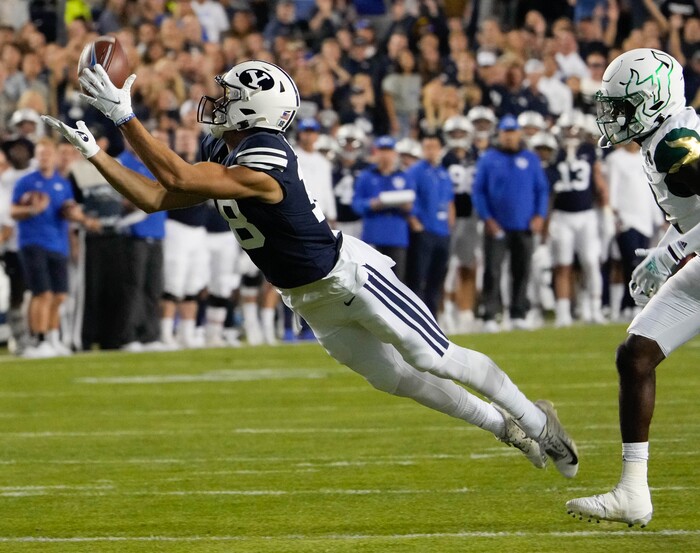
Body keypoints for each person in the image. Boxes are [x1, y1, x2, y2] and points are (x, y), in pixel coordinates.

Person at [45, 59, 578, 482]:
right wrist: (95, 152)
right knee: (398, 380)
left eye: (229, 96)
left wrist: (123, 118)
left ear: (255, 110)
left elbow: (175, 173)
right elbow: (158, 196)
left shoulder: (268, 151)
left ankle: (537, 420)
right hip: (306, 298)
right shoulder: (226, 146)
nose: (216, 102)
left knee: (434, 356)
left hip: (350, 280)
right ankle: (505, 430)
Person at [562, 48, 700, 527]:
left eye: (623, 105)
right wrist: (666, 248)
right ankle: (633, 492)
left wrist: (670, 254)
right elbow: (691, 215)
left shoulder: (678, 143)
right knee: (636, 354)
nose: (614, 116)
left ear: (654, 102)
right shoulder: (662, 137)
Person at [11, 137, 98, 357]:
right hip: (33, 242)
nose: (45, 158)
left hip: (58, 244)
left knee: (59, 295)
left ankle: (51, 338)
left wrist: (81, 220)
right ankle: (37, 341)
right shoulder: (26, 182)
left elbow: (70, 213)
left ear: (55, 156)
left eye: (48, 154)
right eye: (41, 154)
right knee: (43, 294)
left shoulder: (63, 184)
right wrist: (32, 210)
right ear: (36, 157)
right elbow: (12, 212)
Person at [472, 114, 549, 332]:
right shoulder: (488, 158)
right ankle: (489, 314)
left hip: (524, 225)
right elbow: (478, 192)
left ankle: (518, 313)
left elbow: (542, 190)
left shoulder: (531, 158)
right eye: (505, 133)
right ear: (500, 134)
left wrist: (539, 215)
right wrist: (487, 218)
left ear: (518, 134)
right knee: (492, 271)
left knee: (521, 270)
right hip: (497, 225)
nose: (509, 137)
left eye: (512, 132)